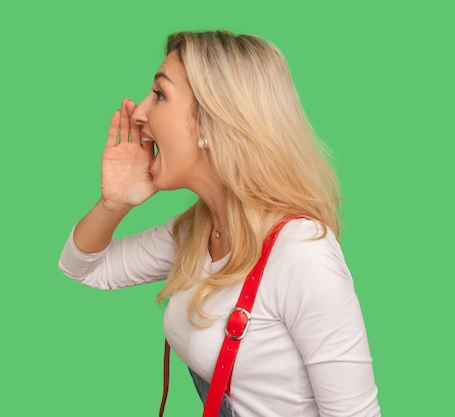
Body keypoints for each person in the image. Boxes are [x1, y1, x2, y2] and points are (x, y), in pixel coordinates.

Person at [58, 30, 380, 417]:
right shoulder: (198, 230)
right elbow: (84, 267)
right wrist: (114, 203)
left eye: (160, 95)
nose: (139, 113)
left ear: (212, 121)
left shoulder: (302, 255)